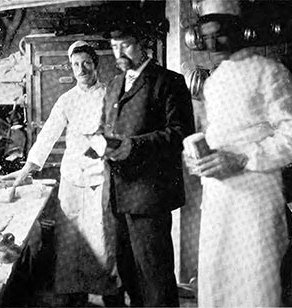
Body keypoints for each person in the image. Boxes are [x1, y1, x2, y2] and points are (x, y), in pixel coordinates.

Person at [183, 3, 292, 306]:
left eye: (221, 35)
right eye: (206, 37)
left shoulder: (270, 72)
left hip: (256, 198)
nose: (213, 44)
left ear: (240, 31)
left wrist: (243, 158)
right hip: (218, 197)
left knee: (255, 286)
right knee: (217, 281)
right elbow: (217, 135)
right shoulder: (213, 82)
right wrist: (198, 158)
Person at [2, 41, 119, 307]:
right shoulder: (66, 100)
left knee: (101, 239)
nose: (81, 69)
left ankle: (108, 293)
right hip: (71, 178)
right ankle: (72, 294)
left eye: (86, 63)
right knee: (69, 242)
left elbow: (117, 135)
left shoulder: (109, 94)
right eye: (76, 65)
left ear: (95, 64)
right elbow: (47, 136)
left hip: (99, 178)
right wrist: (27, 168)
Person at [100, 24, 195, 307]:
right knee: (128, 272)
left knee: (155, 275)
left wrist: (134, 145)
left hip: (149, 195)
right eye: (114, 46)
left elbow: (180, 133)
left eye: (126, 45)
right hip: (117, 192)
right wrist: (101, 142)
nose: (119, 52)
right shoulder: (115, 84)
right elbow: (109, 126)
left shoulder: (168, 81)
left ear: (144, 45)